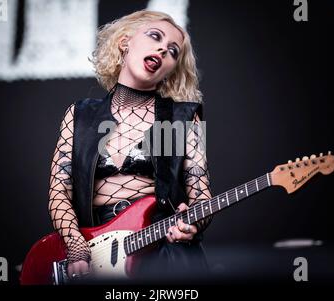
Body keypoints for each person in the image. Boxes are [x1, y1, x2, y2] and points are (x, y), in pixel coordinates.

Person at [48, 10, 213, 282]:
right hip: (95, 255)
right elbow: (58, 190)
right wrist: (77, 245)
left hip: (163, 256)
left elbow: (202, 197)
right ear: (125, 42)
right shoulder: (80, 115)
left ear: (171, 68)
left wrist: (191, 222)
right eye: (155, 36)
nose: (163, 49)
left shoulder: (182, 117)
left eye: (173, 51)